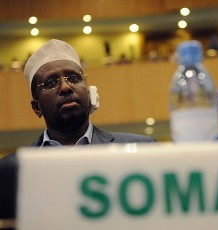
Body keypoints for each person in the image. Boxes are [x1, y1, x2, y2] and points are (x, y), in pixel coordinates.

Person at [0, 39, 156, 223]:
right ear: (36, 107)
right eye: (50, 83)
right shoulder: (9, 171)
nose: (66, 87)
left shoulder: (140, 150)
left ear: (89, 92)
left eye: (74, 78)